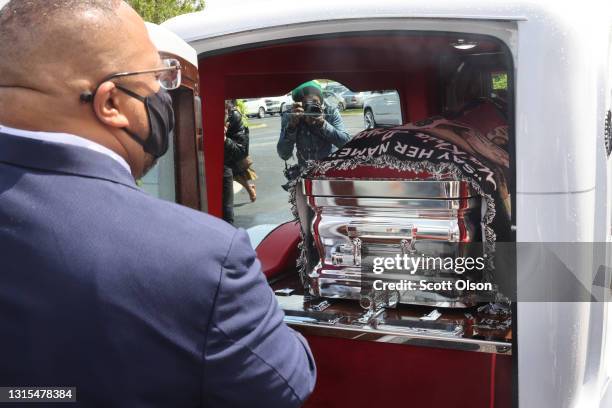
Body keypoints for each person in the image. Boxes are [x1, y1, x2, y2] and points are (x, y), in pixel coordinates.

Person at [0, 2, 316, 407]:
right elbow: (285, 388)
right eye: (156, 81)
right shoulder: (204, 259)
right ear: (111, 104)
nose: (163, 97)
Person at [277, 80, 351, 169]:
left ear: (321, 102)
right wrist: (292, 127)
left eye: (315, 102)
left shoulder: (330, 112)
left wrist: (323, 124)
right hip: (306, 172)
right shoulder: (291, 117)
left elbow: (347, 145)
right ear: (299, 105)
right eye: (306, 104)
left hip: (331, 169)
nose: (311, 108)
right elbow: (284, 154)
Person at [223, 100, 256, 224]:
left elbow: (240, 150)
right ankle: (250, 189)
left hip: (227, 162)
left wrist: (225, 139)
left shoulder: (234, 115)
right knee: (239, 174)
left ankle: (250, 189)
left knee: (238, 173)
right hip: (226, 163)